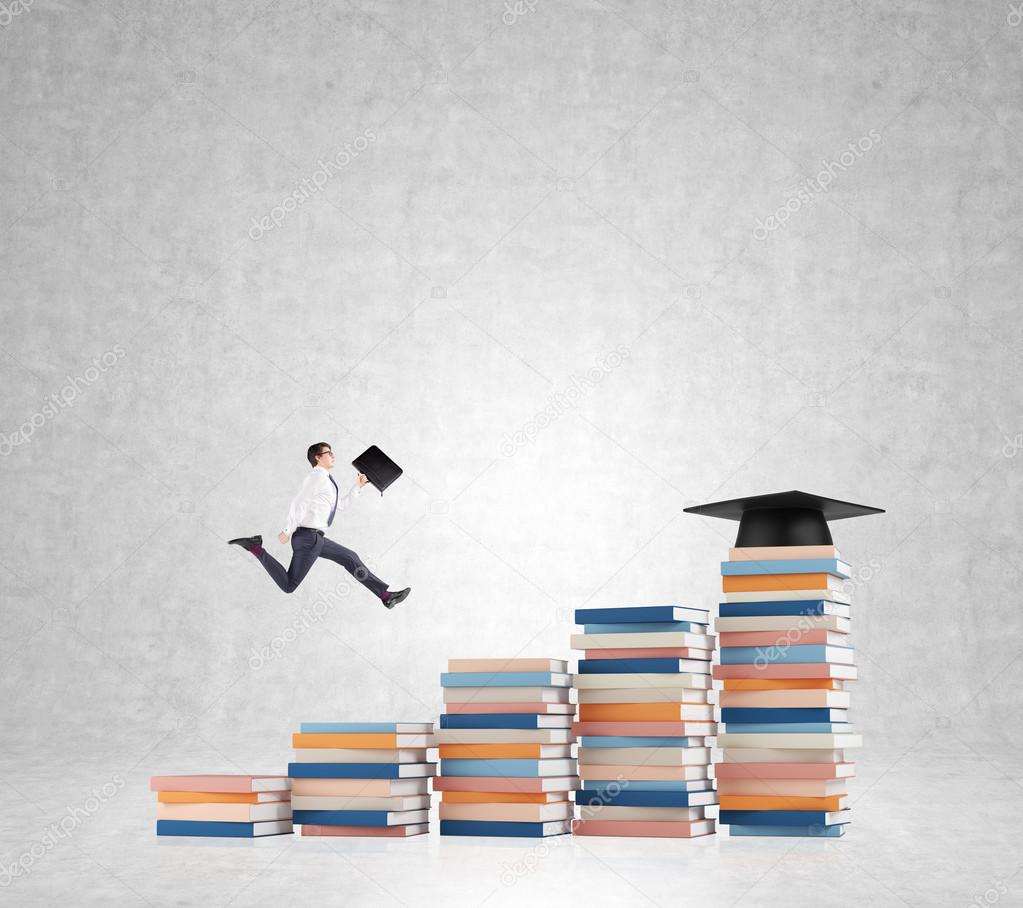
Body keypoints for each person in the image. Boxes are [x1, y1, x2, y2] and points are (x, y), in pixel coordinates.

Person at [228, 442, 411, 609]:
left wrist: (358, 486)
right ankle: (256, 548)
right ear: (318, 457)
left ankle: (386, 595)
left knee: (350, 558)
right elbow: (298, 503)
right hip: (308, 539)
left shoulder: (327, 481)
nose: (333, 456)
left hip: (316, 539)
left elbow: (341, 505)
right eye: (328, 453)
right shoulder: (317, 478)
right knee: (289, 585)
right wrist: (287, 530)